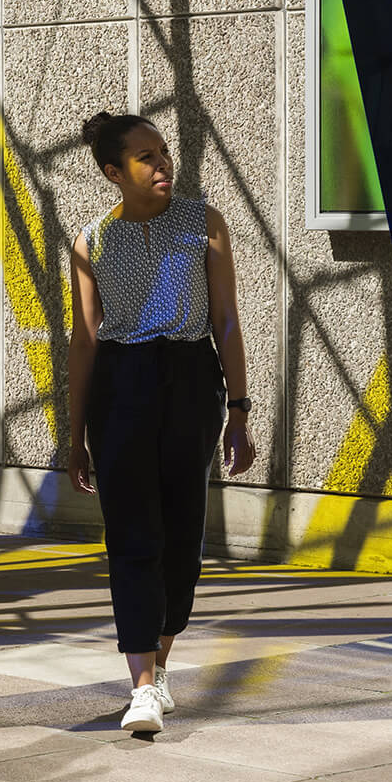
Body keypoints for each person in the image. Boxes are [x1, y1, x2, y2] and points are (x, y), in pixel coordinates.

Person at [65, 111, 256, 734]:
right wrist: (75, 435)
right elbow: (85, 340)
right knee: (131, 535)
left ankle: (162, 666)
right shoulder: (92, 240)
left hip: (190, 379)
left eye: (164, 152)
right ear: (113, 172)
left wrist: (238, 411)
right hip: (120, 388)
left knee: (181, 535)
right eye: (145, 158)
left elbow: (225, 321)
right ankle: (141, 686)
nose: (162, 165)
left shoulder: (205, 223)